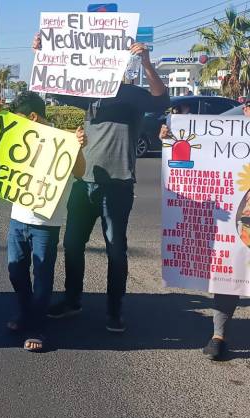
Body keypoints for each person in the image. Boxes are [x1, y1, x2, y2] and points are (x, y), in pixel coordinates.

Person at [33, 33, 170, 332]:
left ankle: (115, 309)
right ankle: (72, 300)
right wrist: (43, 52)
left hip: (119, 185)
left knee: (116, 250)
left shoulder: (133, 96)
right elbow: (49, 84)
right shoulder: (85, 91)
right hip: (84, 182)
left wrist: (147, 63)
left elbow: (162, 98)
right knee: (71, 244)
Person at [5, 92, 86, 351]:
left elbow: (80, 172)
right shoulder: (19, 137)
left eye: (19, 118)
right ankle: (26, 312)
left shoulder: (65, 141)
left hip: (46, 223)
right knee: (15, 270)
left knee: (41, 276)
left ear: (32, 116)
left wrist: (79, 148)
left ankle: (37, 328)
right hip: (18, 217)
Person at [160, 115, 244, 360]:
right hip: (242, 209)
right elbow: (196, 141)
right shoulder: (233, 123)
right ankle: (219, 336)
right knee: (231, 268)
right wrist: (169, 137)